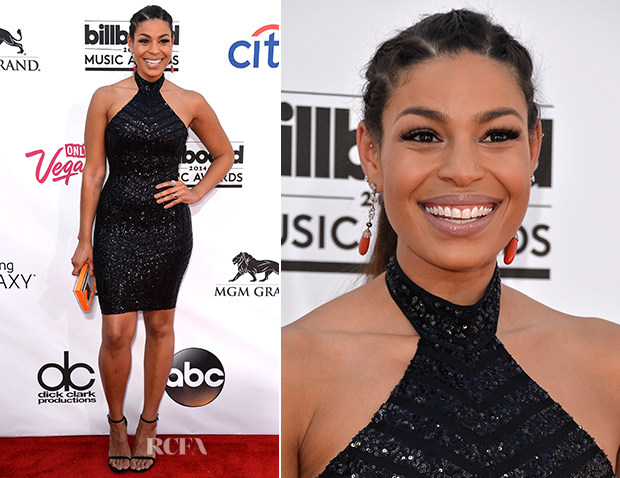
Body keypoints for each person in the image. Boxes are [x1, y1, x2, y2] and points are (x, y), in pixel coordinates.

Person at [282, 9, 620, 478]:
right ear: (372, 154)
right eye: (424, 135)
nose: (462, 168)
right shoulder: (289, 373)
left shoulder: (609, 362)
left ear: (534, 149)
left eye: (497, 135)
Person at [70, 5, 234, 473]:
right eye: (145, 40)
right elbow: (93, 170)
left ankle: (148, 424)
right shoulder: (105, 96)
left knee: (161, 327)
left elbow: (223, 153)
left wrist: (196, 189)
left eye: (163, 41)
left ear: (172, 46)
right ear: (129, 44)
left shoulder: (190, 101)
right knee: (117, 332)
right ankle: (116, 424)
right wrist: (85, 239)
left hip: (167, 230)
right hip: (116, 225)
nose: (154, 50)